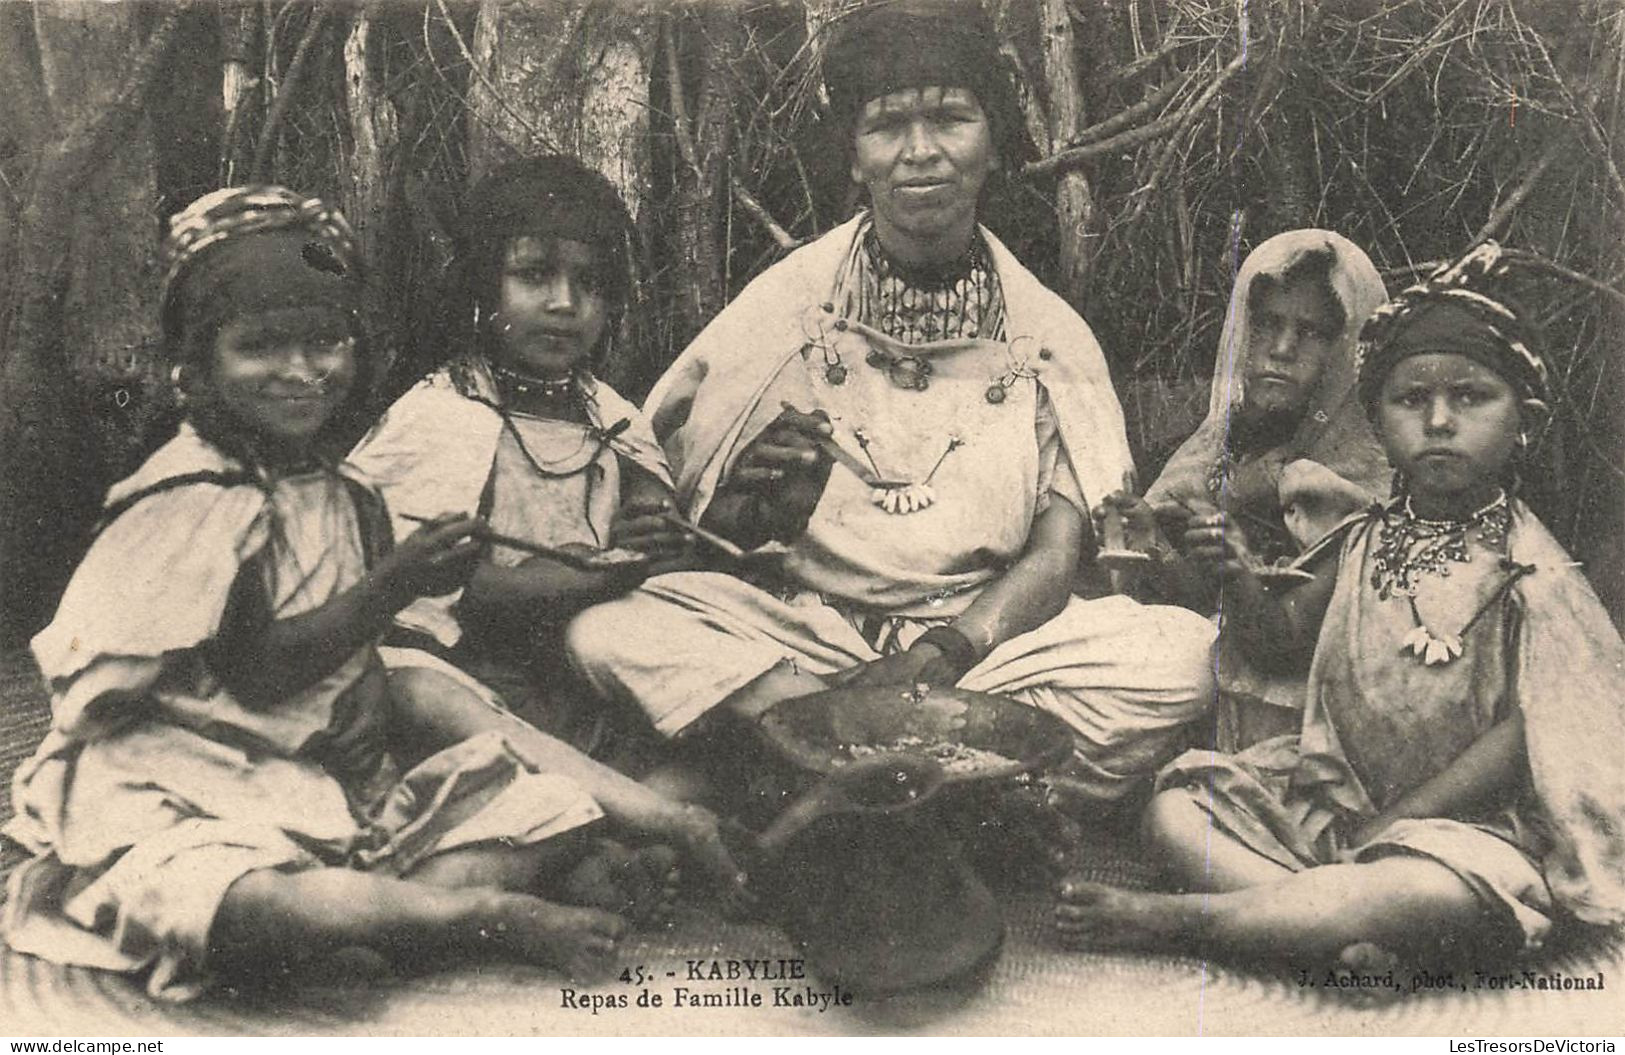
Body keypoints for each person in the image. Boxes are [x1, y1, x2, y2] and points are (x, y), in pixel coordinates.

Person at [1, 188, 736, 1002]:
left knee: (544, 805)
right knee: (243, 900)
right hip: (172, 777)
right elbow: (256, 673)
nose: (299, 372)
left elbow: (343, 670)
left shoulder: (337, 490)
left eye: (324, 343)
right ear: (192, 363)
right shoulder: (193, 499)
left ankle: (397, 914)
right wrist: (394, 587)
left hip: (304, 774)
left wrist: (364, 733)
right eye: (259, 349)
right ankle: (472, 913)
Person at [567, 0, 1215, 809]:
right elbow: (693, 521)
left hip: (976, 646)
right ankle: (959, 787)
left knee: (1183, 654)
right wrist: (755, 504)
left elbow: (1057, 552)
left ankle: (807, 769)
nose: (920, 153)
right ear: (853, 155)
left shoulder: (1045, 332)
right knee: (611, 629)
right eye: (887, 125)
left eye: (949, 118)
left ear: (992, 142)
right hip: (803, 635)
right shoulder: (788, 310)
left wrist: (946, 649)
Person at [1055, 243, 1625, 968]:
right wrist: (1236, 575)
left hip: (1460, 828)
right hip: (1335, 800)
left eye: (1470, 397)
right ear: (1376, 419)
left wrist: (1399, 819)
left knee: (1437, 890)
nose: (1439, 421)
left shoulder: (1529, 569)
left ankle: (1195, 919)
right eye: (1411, 400)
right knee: (1174, 814)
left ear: (1524, 418)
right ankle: (1330, 926)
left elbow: (1525, 732)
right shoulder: (1363, 535)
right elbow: (1280, 641)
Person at [348, 156, 694, 757]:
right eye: (534, 276)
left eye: (589, 284)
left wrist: (655, 534)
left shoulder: (613, 417)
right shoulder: (443, 415)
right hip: (467, 670)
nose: (565, 303)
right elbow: (453, 596)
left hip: (592, 663)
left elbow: (658, 542)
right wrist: (606, 570)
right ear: (485, 286)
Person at [1119, 231, 1390, 749]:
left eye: (1311, 333)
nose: (1282, 350)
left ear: (1349, 348)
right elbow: (1194, 593)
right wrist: (1149, 542)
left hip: (1296, 719)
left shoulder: (1368, 486)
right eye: (1267, 325)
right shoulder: (1211, 451)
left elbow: (1295, 640)